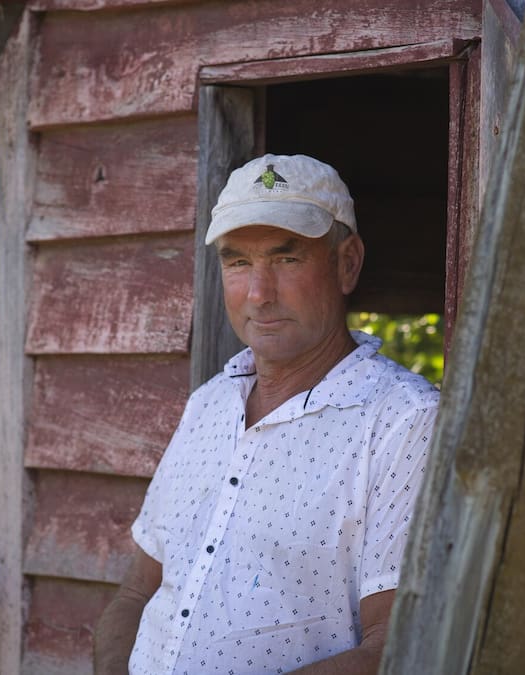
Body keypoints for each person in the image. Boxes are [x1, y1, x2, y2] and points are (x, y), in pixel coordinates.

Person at [94, 154, 439, 674]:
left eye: (287, 259)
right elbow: (134, 594)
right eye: (237, 263)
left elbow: (394, 649)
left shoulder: (402, 422)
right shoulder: (209, 404)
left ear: (347, 263)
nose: (259, 294)